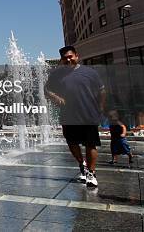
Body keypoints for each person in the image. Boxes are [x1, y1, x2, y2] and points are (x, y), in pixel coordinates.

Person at [45, 45, 106, 188]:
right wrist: (55, 97)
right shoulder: (56, 74)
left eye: (70, 56)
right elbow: (46, 89)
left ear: (76, 56)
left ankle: (91, 173)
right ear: (61, 60)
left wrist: (101, 107)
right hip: (68, 115)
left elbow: (102, 91)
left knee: (90, 143)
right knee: (71, 142)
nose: (68, 60)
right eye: (65, 58)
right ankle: (82, 163)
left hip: (88, 113)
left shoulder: (89, 72)